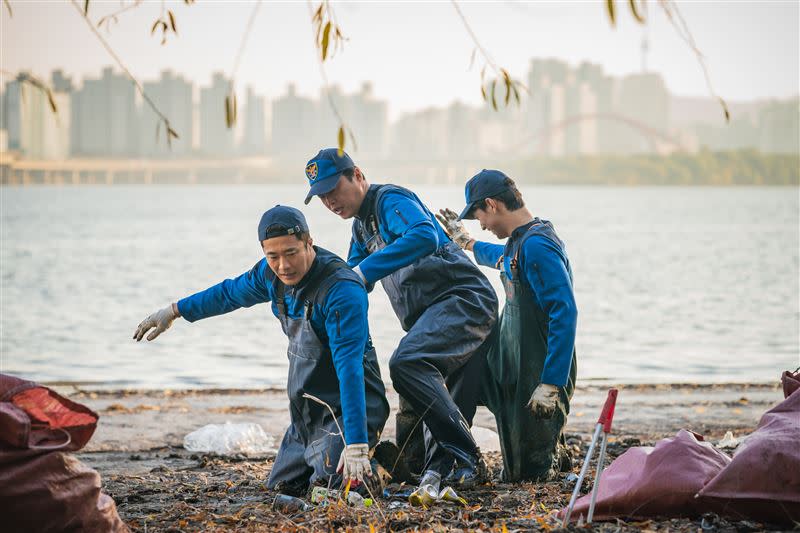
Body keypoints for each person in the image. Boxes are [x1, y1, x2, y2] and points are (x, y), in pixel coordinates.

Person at [132, 205, 389, 496]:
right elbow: (228, 294)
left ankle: (377, 463)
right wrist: (174, 310)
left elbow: (350, 369)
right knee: (280, 488)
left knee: (331, 488)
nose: (283, 266)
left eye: (291, 253)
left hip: (352, 410)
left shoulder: (342, 291)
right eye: (273, 256)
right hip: (307, 414)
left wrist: (355, 443)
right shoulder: (270, 276)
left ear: (309, 242)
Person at [302, 148, 499, 491]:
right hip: (433, 320)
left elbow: (424, 234)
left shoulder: (389, 200)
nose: (330, 201)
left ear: (358, 176)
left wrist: (364, 272)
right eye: (322, 197)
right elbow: (350, 283)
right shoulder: (361, 229)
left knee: (407, 363)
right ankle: (448, 470)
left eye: (334, 189)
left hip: (464, 302)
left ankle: (469, 458)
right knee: (440, 401)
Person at [437, 169, 578, 482]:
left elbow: (565, 313)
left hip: (538, 369)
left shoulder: (539, 245)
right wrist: (467, 243)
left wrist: (551, 383)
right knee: (452, 378)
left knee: (524, 475)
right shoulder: (521, 242)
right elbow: (503, 256)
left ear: (492, 204)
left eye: (479, 218)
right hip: (511, 360)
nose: (483, 226)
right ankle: (549, 447)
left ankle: (552, 451)